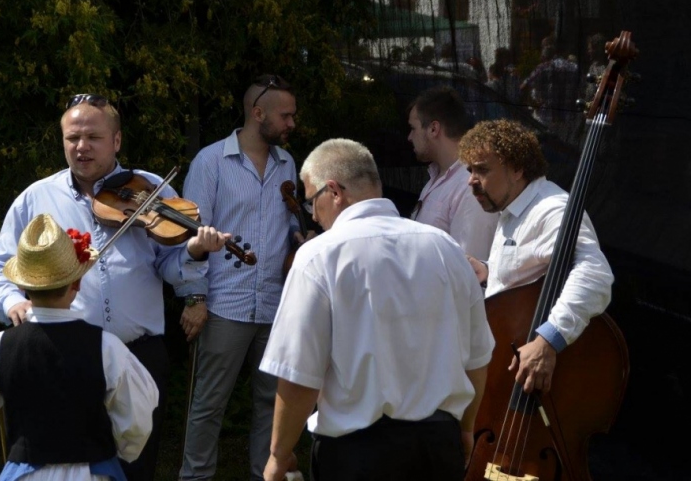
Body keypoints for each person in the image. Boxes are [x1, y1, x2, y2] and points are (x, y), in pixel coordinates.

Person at [0, 94, 230, 481]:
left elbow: (171, 265)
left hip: (138, 354)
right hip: (63, 358)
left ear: (116, 141)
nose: (81, 147)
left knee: (137, 464)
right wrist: (14, 302)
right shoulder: (36, 198)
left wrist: (195, 251)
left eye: (93, 137)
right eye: (72, 138)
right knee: (69, 465)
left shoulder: (150, 189)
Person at [260, 138, 495, 481]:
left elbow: (299, 375)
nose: (311, 213)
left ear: (334, 191)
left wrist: (279, 456)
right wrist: (466, 428)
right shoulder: (445, 248)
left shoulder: (319, 255)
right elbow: (477, 358)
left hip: (357, 454)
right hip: (437, 447)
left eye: (312, 200)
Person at [0, 213, 160, 480]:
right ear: (77, 283)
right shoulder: (108, 347)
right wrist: (120, 452)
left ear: (23, 286)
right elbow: (136, 421)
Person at [180, 74, 312, 481]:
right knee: (208, 404)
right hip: (225, 304)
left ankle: (264, 475)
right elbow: (192, 234)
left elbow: (290, 224)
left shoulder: (288, 164)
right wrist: (194, 297)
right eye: (285, 115)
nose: (291, 123)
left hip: (275, 305)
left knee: (271, 405)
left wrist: (301, 235)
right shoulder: (210, 161)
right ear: (258, 114)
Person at [459, 119, 614, 393]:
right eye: (470, 170)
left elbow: (595, 274)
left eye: (482, 170)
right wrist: (488, 270)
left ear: (517, 169)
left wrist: (548, 340)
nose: (471, 180)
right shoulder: (512, 205)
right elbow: (530, 272)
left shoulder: (552, 210)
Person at [407, 86, 499, 260]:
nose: (409, 137)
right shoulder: (437, 176)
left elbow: (470, 268)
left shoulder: (470, 185)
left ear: (434, 129)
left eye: (413, 128)